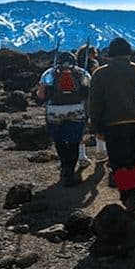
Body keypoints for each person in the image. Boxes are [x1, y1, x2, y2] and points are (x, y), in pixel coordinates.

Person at [89, 37, 135, 212]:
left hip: (114, 124)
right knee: (134, 160)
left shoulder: (100, 74)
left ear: (110, 54)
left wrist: (96, 126)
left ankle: (128, 195)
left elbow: (96, 103)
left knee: (118, 162)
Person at [36, 51, 91, 186]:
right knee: (73, 141)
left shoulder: (49, 73)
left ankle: (64, 165)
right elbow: (89, 93)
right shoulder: (82, 73)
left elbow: (41, 95)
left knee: (59, 140)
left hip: (54, 111)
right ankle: (70, 171)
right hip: (76, 109)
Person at [76, 43, 107, 164]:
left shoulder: (76, 64)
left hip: (77, 98)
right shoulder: (93, 64)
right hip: (92, 97)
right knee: (97, 122)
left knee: (80, 127)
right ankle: (101, 150)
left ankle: (81, 155)